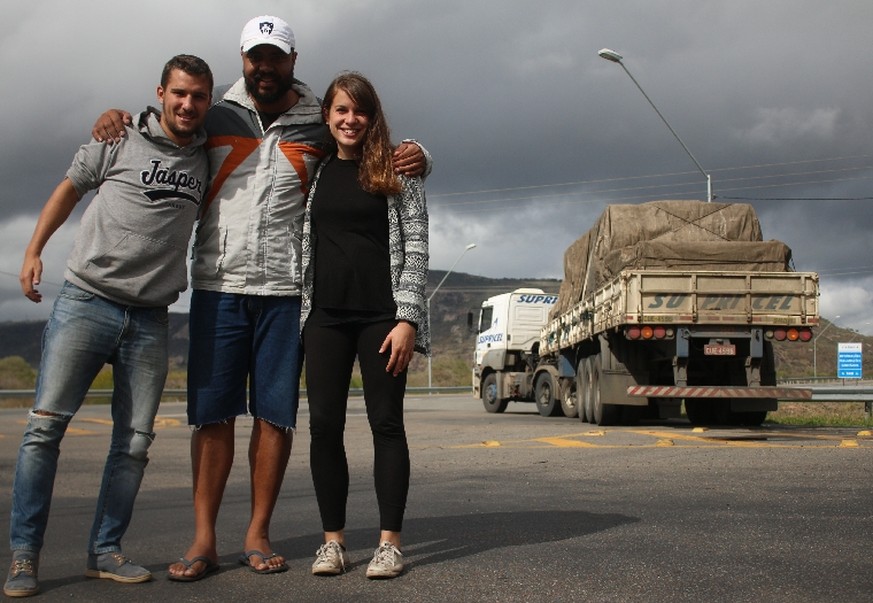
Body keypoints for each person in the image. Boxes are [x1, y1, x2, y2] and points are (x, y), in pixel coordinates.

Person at [91, 15, 430, 581]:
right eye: (256, 57)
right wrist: (115, 117)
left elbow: (375, 149)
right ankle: (203, 541)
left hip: (285, 293)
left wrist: (419, 151)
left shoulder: (317, 119)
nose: (265, 66)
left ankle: (257, 535)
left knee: (276, 418)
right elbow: (164, 130)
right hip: (219, 286)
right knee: (213, 416)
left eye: (276, 57)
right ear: (243, 59)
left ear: (293, 62)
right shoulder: (212, 114)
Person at [4, 55, 213, 598]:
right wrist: (32, 251)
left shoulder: (208, 156)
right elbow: (69, 188)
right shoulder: (116, 137)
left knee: (135, 443)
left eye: (199, 96)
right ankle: (25, 557)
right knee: (45, 429)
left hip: (150, 318)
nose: (188, 105)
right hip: (86, 302)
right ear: (161, 92)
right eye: (180, 94)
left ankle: (104, 550)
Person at [302, 72, 429, 580]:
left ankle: (389, 544)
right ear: (328, 116)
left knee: (386, 425)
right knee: (324, 426)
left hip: (381, 317)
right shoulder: (314, 170)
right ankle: (332, 542)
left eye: (360, 111)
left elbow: (416, 247)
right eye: (341, 110)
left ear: (372, 117)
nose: (350, 120)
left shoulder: (399, 170)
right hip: (324, 317)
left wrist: (407, 319)